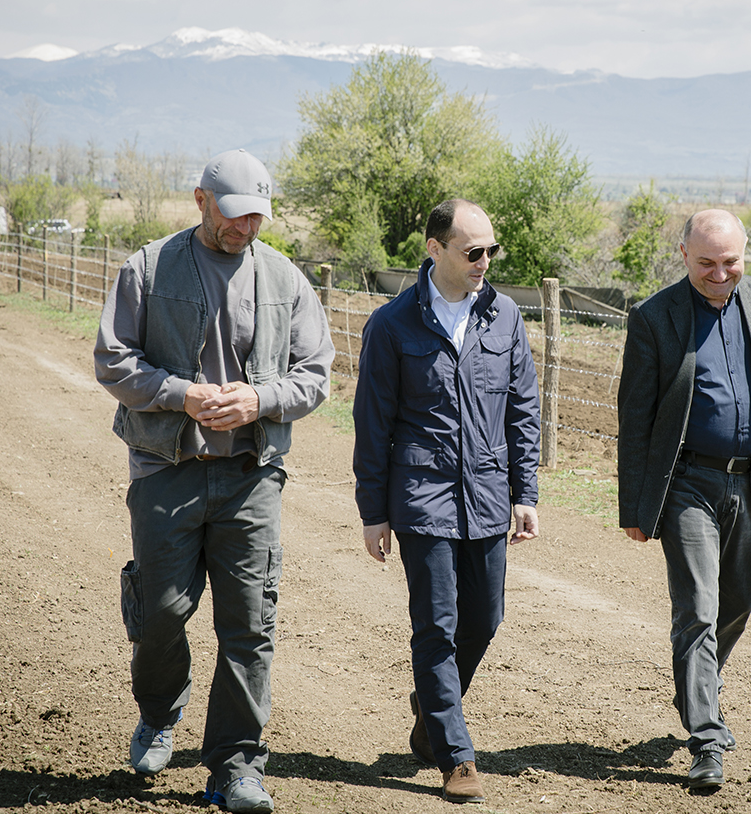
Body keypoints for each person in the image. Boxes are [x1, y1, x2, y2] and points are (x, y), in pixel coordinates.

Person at [95, 149, 335, 813]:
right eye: (233, 215)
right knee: (162, 612)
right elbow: (112, 360)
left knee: (250, 623)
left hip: (251, 475)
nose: (245, 227)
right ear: (200, 201)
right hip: (166, 468)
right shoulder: (147, 269)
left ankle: (236, 767)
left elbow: (317, 370)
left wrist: (261, 399)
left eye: (257, 217)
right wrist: (183, 395)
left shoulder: (285, 279)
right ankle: (159, 710)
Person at [616, 209, 751, 793]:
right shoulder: (654, 317)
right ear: (684, 254)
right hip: (687, 484)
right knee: (698, 608)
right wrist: (635, 507)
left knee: (737, 603)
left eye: (730, 261)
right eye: (706, 262)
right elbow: (634, 418)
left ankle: (697, 686)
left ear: (744, 254)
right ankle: (706, 738)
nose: (719, 273)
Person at [352, 198, 540, 804]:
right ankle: (456, 756)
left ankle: (432, 708)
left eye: (491, 250)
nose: (486, 261)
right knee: (436, 624)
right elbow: (372, 423)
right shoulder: (392, 324)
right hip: (421, 494)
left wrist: (524, 492)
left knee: (485, 618)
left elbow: (523, 410)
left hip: (487, 491)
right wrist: (374, 512)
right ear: (435, 249)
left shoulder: (505, 316)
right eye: (473, 251)